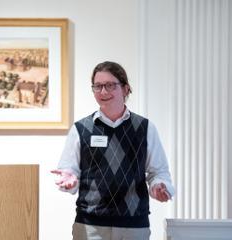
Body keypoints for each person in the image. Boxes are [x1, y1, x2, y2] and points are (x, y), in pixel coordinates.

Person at [51, 61, 174, 240]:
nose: (103, 92)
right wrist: (70, 179)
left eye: (110, 85)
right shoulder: (81, 129)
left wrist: (158, 187)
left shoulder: (145, 128)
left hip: (133, 226)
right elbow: (69, 171)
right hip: (90, 227)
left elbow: (159, 172)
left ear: (125, 89)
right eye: (98, 86)